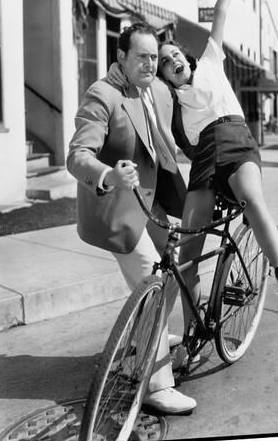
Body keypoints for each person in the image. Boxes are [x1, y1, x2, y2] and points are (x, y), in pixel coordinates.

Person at [156, 0, 278, 346]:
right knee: (186, 254)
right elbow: (183, 146)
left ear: (186, 57)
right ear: (166, 77)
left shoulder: (210, 62)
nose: (174, 61)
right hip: (205, 160)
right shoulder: (175, 105)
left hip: (236, 140)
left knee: (253, 199)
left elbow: (220, 13)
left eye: (175, 55)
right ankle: (191, 331)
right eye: (167, 63)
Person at [67, 21, 196, 414]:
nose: (150, 63)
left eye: (154, 56)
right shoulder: (101, 94)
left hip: (151, 203)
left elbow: (170, 139)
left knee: (173, 264)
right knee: (149, 281)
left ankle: (141, 345)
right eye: (141, 56)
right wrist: (108, 175)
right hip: (118, 209)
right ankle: (156, 384)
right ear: (120, 56)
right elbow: (77, 155)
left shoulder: (153, 88)